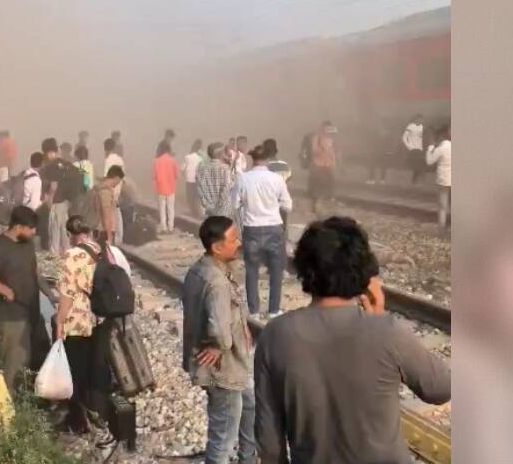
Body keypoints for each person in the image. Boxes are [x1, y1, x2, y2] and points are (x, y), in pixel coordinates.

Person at [254, 217, 451, 464]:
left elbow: (270, 444)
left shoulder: (274, 336)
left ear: (304, 269)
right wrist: (379, 320)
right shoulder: (387, 332)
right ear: (364, 272)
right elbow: (441, 388)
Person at [181, 216, 256, 464]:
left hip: (234, 366)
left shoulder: (199, 270)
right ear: (216, 247)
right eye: (234, 239)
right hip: (224, 368)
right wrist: (218, 344)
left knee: (249, 404)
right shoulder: (216, 283)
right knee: (222, 439)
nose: (239, 243)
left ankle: (248, 457)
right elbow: (220, 329)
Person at [54, 217, 114, 436]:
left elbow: (67, 294)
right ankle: (98, 413)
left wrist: (59, 322)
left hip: (77, 321)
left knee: (76, 370)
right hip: (98, 318)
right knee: (95, 366)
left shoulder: (71, 256)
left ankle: (78, 421)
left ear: (70, 234)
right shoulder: (99, 249)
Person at [0, 206, 47, 388]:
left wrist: (50, 293)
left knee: (40, 357)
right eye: (30, 228)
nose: (33, 232)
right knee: (16, 363)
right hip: (12, 317)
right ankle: (13, 408)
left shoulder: (27, 243)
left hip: (32, 312)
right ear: (17, 226)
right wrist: (4, 290)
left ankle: (37, 400)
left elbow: (34, 272)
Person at [236, 144, 293, 318]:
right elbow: (288, 206)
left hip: (251, 229)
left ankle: (253, 311)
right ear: (268, 159)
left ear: (253, 159)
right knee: (276, 270)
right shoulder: (277, 179)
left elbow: (234, 205)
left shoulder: (243, 179)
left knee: (251, 270)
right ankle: (273, 310)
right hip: (273, 229)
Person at [40, 138, 77, 254]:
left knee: (54, 230)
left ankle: (54, 254)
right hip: (66, 202)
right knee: (64, 229)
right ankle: (67, 252)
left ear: (48, 152)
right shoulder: (66, 164)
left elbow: (53, 186)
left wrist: (49, 200)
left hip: (56, 201)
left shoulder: (51, 166)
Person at [197, 143, 236, 217]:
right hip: (222, 209)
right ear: (221, 154)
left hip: (208, 207)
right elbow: (226, 188)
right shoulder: (224, 168)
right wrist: (220, 205)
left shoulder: (201, 167)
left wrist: (205, 203)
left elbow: (199, 187)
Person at [425, 124, 452, 231]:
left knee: (443, 205)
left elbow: (429, 161)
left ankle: (441, 226)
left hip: (444, 179)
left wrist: (430, 147)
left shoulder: (442, 148)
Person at [308, 122, 338, 214]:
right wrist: (323, 149)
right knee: (318, 185)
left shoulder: (331, 139)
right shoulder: (317, 138)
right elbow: (314, 151)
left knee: (330, 183)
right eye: (327, 128)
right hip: (318, 164)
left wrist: (333, 162)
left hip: (328, 165)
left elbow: (333, 152)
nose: (328, 130)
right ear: (323, 128)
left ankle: (328, 204)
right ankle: (315, 206)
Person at [91, 165, 125, 244]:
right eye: (119, 181)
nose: (118, 183)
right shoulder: (105, 191)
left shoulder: (100, 187)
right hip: (104, 231)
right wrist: (109, 236)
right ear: (116, 177)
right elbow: (106, 213)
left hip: (100, 229)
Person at [153, 141, 180, 233]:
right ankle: (171, 227)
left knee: (162, 210)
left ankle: (164, 228)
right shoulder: (173, 160)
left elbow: (154, 176)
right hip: (171, 188)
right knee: (171, 209)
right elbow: (177, 175)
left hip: (161, 188)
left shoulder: (157, 161)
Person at [182, 139, 205, 217]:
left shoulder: (188, 156)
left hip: (189, 180)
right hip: (198, 180)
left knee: (190, 197)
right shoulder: (201, 157)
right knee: (196, 198)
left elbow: (182, 168)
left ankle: (194, 213)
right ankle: (197, 213)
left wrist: (183, 175)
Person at [402, 114, 426, 185]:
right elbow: (404, 137)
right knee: (414, 166)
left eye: (422, 120)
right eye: (420, 119)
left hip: (419, 149)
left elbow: (420, 138)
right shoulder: (410, 126)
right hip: (413, 149)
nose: (421, 121)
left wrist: (421, 148)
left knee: (419, 166)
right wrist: (409, 147)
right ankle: (412, 181)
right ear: (416, 119)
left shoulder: (421, 127)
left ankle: (415, 181)